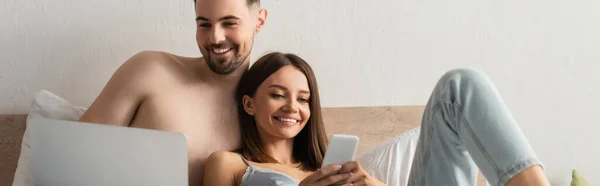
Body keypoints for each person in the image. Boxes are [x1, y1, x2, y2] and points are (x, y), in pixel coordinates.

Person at [204, 52, 551, 186]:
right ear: (249, 104)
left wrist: (372, 185)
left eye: (303, 99)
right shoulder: (229, 164)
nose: (292, 107)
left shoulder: (327, 168)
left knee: (459, 86)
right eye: (278, 94)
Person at [78, 0, 266, 185]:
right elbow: (76, 153)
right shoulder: (151, 71)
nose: (215, 38)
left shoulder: (265, 112)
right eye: (204, 24)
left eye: (229, 23)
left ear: (259, 21)